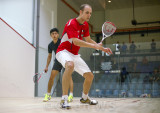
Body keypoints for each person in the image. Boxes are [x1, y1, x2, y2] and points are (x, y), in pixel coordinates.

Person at [56, 4, 112, 109]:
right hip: (63, 51)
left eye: (90, 13)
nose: (89, 15)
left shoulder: (85, 25)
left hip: (75, 55)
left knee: (90, 76)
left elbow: (88, 40)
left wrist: (102, 48)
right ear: (80, 12)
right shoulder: (71, 23)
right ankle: (64, 99)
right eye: (87, 12)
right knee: (70, 65)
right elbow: (76, 42)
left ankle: (84, 98)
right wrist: (94, 46)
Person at [43, 28, 74, 102]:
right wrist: (46, 66)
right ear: (51, 35)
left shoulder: (62, 41)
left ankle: (71, 95)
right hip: (57, 61)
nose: (54, 35)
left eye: (55, 33)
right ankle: (48, 94)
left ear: (58, 34)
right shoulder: (50, 45)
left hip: (66, 60)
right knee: (51, 77)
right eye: (53, 34)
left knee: (68, 77)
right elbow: (49, 56)